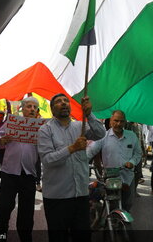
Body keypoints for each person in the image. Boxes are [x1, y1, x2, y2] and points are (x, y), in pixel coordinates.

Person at [38, 94, 105, 242]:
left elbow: (101, 134)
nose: (64, 103)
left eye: (66, 101)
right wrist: (72, 148)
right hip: (57, 197)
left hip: (80, 195)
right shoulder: (45, 130)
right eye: (58, 102)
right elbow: (48, 160)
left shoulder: (80, 126)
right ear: (52, 110)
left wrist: (89, 114)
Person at [0, 97, 40, 242]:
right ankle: (1, 235)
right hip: (9, 173)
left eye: (35, 107)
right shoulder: (11, 122)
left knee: (27, 212)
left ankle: (26, 238)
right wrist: (1, 140)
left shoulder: (41, 127)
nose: (32, 109)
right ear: (23, 108)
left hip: (28, 175)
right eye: (29, 106)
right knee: (3, 208)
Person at [87, 110, 142, 211]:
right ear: (110, 121)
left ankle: (122, 223)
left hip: (128, 178)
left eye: (121, 121)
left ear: (125, 122)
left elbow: (138, 153)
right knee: (112, 204)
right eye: (116, 121)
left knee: (128, 204)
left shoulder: (132, 136)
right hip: (111, 178)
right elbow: (90, 152)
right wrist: (79, 161)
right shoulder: (103, 137)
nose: (118, 124)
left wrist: (132, 162)